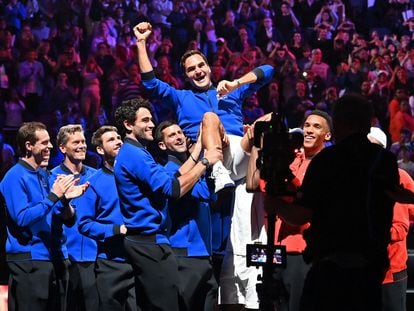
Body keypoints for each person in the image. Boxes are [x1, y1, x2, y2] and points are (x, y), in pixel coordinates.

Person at [267, 94, 400, 310]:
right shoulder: (385, 160)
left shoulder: (327, 161)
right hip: (369, 270)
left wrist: (276, 205)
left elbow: (301, 214)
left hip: (331, 270)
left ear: (338, 123)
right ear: (368, 123)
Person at [133, 22, 275, 193]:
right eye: (191, 69)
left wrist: (236, 83)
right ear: (186, 76)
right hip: (208, 160)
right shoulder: (181, 97)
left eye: (201, 65)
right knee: (209, 117)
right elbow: (150, 83)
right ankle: (217, 169)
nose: (198, 71)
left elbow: (268, 71)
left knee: (272, 118)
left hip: (240, 152)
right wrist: (141, 43)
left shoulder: (231, 91)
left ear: (208, 68)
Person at [113, 98, 221, 311]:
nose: (152, 124)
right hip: (148, 242)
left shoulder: (136, 152)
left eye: (151, 119)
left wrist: (199, 148)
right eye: (145, 120)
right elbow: (172, 189)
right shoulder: (134, 154)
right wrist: (205, 162)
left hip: (148, 241)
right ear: (128, 124)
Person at [245, 110, 332, 311]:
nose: (309, 130)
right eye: (307, 125)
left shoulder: (326, 165)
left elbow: (305, 206)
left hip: (301, 251)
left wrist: (287, 186)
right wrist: (259, 145)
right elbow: (253, 184)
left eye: (316, 127)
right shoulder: (288, 158)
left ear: (327, 136)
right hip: (274, 248)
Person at [0, 121, 88, 311]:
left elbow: (63, 217)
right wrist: (54, 196)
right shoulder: (14, 176)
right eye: (44, 142)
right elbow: (22, 218)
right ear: (29, 146)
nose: (50, 147)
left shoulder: (44, 175)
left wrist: (65, 201)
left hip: (53, 257)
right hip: (29, 260)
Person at [154, 120, 217, 311]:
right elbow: (205, 194)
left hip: (204, 253)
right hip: (185, 254)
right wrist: (201, 156)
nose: (179, 136)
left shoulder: (194, 168)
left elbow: (211, 195)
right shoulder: (169, 172)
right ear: (162, 145)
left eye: (180, 132)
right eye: (172, 135)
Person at [78, 125, 136, 311]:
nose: (118, 141)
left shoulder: (138, 175)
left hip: (139, 257)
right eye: (111, 139)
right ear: (100, 150)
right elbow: (84, 224)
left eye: (119, 137)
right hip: (111, 263)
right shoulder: (93, 182)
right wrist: (116, 229)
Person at [50, 124, 98, 311]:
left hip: (93, 258)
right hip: (65, 258)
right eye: (76, 142)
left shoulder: (96, 177)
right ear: (62, 148)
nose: (82, 145)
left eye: (83, 141)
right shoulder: (51, 178)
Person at [367, 126, 413, 311]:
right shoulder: (355, 178)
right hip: (363, 268)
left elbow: (400, 227)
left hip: (391, 269)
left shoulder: (397, 176)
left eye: (373, 146)